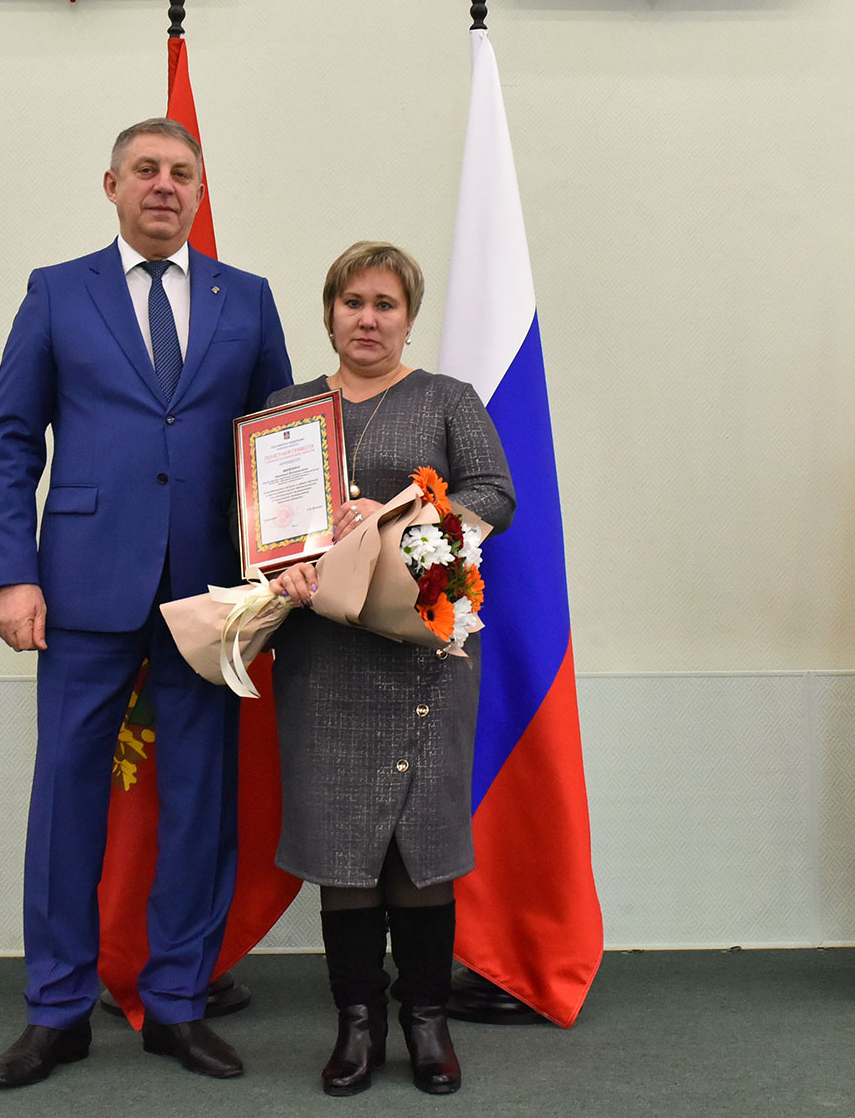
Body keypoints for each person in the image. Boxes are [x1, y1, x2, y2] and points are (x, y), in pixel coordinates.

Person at [0, 118, 293, 1087]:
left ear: (201, 191)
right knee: (66, 802)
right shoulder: (56, 291)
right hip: (81, 584)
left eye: (182, 172)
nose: (164, 185)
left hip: (212, 593)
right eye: (146, 170)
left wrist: (282, 570)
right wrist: (12, 571)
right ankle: (57, 1010)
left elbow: (279, 443)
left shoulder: (248, 298)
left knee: (200, 802)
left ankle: (179, 1004)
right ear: (110, 184)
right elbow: (12, 438)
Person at [267, 241, 515, 1097]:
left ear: (409, 319)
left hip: (424, 657)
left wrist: (406, 517)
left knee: (421, 851)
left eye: (385, 305)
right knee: (343, 849)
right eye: (353, 303)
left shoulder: (449, 400)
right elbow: (254, 522)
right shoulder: (286, 411)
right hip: (324, 657)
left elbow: (495, 494)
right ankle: (357, 1023)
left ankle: (427, 1021)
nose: (367, 319)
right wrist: (278, 567)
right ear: (329, 313)